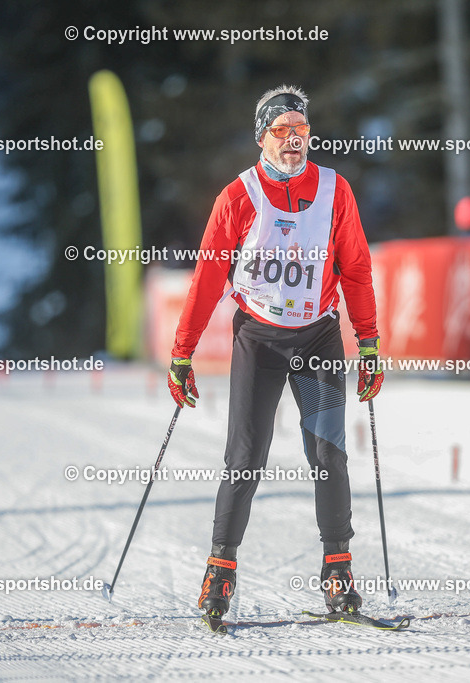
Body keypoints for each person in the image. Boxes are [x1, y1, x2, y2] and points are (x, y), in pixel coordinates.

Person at [168, 85, 384, 620]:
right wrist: (182, 353)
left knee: (328, 452)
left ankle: (338, 570)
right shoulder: (237, 197)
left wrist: (370, 341)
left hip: (318, 335)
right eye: (283, 132)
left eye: (302, 132)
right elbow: (208, 279)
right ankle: (220, 571)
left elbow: (355, 268)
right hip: (259, 338)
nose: (294, 142)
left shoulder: (336, 191)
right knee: (244, 458)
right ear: (261, 137)